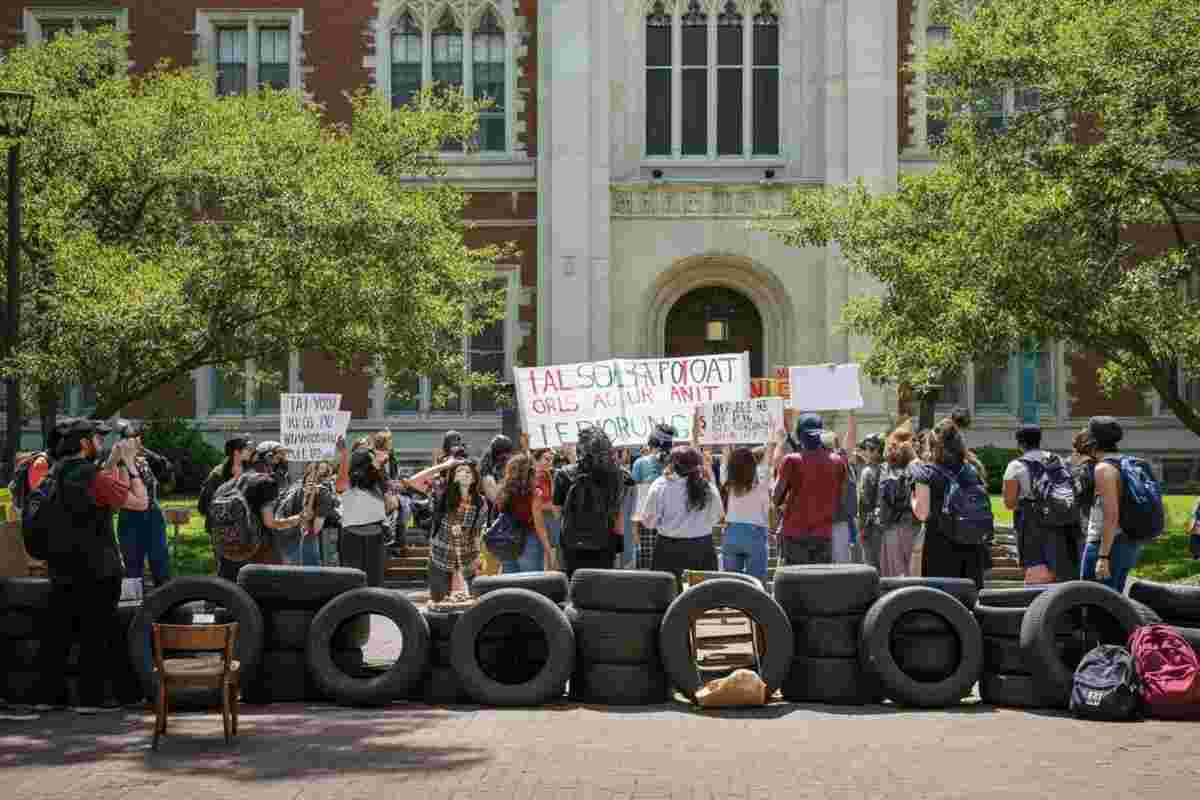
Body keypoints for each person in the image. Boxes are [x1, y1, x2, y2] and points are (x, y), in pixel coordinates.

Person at [25, 419, 149, 715]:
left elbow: (96, 489)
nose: (101, 443)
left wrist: (112, 462)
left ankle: (48, 697)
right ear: (85, 443)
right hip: (97, 570)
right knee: (96, 634)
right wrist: (130, 465)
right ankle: (91, 700)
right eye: (98, 438)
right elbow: (140, 502)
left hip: (61, 567)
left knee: (58, 636)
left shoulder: (52, 474)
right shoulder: (91, 477)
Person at [909, 419, 990, 588]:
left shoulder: (926, 473)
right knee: (971, 599)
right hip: (972, 543)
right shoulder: (972, 470)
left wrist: (913, 498)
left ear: (932, 445)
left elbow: (922, 513)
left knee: (942, 602)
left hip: (941, 547)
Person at [214, 442, 304, 581]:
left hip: (227, 551)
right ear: (268, 457)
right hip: (259, 556)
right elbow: (270, 523)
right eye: (280, 457)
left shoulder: (226, 486)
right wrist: (297, 519)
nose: (284, 461)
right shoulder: (266, 482)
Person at [1003, 424, 1080, 584]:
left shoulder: (1016, 466)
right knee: (1058, 565)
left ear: (1020, 443)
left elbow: (1009, 503)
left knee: (1036, 567)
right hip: (1062, 518)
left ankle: (1037, 603)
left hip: (1032, 522)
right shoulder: (1057, 460)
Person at [772, 413, 846, 565]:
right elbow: (840, 497)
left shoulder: (791, 460)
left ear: (799, 435)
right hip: (823, 534)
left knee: (796, 585)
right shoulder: (838, 461)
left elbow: (776, 498)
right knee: (819, 584)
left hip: (795, 534)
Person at [641, 446, 723, 580]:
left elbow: (648, 522)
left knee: (667, 595)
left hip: (668, 549)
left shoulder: (660, 485)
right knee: (700, 595)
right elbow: (717, 516)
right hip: (701, 548)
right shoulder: (708, 486)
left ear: (672, 464)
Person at [554, 427, 626, 576]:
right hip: (605, 541)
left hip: (572, 542)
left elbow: (557, 512)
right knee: (603, 585)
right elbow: (617, 512)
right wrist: (619, 540)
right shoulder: (617, 475)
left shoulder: (564, 474)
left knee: (575, 586)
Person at [1082, 416, 1143, 592]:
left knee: (1091, 603)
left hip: (1106, 545)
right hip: (1128, 543)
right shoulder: (1126, 463)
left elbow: (1111, 515)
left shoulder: (1104, 469)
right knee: (1113, 605)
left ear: (1092, 440)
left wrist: (1103, 556)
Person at [115, 420, 173, 589]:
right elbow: (123, 490)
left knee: (160, 562)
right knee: (133, 567)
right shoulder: (119, 463)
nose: (135, 441)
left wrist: (147, 455)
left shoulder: (145, 459)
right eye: (130, 438)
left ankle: (167, 604)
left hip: (153, 514)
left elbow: (166, 474)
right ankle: (132, 609)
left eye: (137, 437)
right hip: (131, 517)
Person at [718, 434, 780, 581]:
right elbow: (769, 456)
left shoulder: (728, 481)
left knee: (732, 582)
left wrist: (726, 440)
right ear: (753, 463)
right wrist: (771, 439)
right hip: (756, 533)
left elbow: (725, 454)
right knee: (756, 583)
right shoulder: (762, 479)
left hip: (731, 532)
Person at [334, 438, 393, 586]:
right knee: (355, 582)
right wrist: (344, 454)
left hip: (373, 535)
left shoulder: (377, 481)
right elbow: (341, 484)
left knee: (371, 582)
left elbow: (391, 504)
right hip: (355, 536)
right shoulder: (349, 482)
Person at [426, 459, 487, 600]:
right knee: (439, 602)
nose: (464, 473)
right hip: (440, 556)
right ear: (453, 476)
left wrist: (478, 556)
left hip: (467, 556)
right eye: (459, 471)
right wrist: (444, 465)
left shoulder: (480, 502)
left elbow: (477, 531)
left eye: (468, 471)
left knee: (474, 601)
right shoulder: (442, 495)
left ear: (473, 478)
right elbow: (413, 482)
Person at [198, 434, 254, 569]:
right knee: (225, 568)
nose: (250, 451)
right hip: (222, 530)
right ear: (237, 452)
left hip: (245, 529)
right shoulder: (217, 474)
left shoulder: (250, 472)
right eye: (247, 448)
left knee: (245, 568)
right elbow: (203, 505)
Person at [495, 452, 554, 572]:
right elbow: (539, 524)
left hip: (507, 540)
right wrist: (548, 548)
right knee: (531, 583)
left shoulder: (503, 491)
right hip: (528, 540)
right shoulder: (534, 493)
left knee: (510, 583)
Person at [275, 461, 337, 567]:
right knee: (310, 576)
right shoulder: (323, 493)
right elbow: (316, 528)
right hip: (305, 540)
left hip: (284, 537)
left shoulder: (293, 487)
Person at [876, 425, 919, 576]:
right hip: (910, 525)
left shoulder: (886, 468)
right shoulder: (916, 466)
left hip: (894, 526)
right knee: (910, 572)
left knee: (896, 573)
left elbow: (886, 496)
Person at [631, 423, 674, 569]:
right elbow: (636, 498)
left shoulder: (675, 463)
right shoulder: (641, 464)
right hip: (650, 525)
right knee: (651, 570)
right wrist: (635, 530)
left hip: (669, 524)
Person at [821, 412, 859, 563]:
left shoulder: (812, 461)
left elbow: (851, 437)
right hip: (835, 520)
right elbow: (851, 437)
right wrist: (851, 413)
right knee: (840, 563)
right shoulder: (841, 459)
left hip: (826, 520)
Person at [856, 433, 885, 568]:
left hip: (870, 525)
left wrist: (862, 527)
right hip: (883, 524)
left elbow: (864, 501)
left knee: (871, 565)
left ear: (875, 450)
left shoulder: (867, 471)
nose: (864, 452)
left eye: (866, 449)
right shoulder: (886, 468)